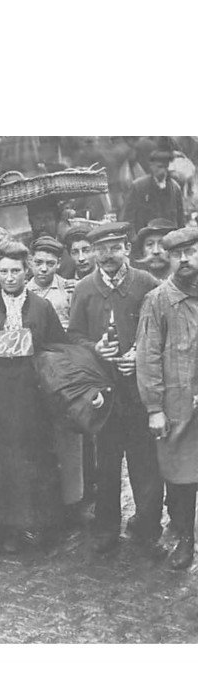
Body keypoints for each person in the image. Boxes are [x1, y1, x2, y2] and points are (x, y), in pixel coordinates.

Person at [0, 240, 68, 553]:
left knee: (28, 457)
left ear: (26, 270)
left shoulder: (41, 307)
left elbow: (57, 345)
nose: (9, 277)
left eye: (16, 270)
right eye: (4, 270)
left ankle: (31, 525)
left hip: (28, 395)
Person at [68, 221, 164, 554]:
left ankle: (149, 528)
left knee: (145, 463)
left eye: (114, 248)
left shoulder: (146, 283)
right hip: (104, 392)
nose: (107, 256)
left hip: (139, 391)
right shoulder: (84, 289)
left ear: (126, 247)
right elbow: (74, 336)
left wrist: (139, 353)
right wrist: (95, 348)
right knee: (106, 463)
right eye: (100, 250)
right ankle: (106, 527)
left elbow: (159, 330)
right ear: (92, 252)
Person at [136, 227, 198, 569]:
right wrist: (155, 408)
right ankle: (185, 539)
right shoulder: (158, 300)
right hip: (178, 406)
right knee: (182, 476)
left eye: (191, 251)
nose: (185, 259)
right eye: (177, 254)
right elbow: (148, 357)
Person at [26, 235, 84, 520]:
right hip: (32, 371)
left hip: (63, 369)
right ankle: (43, 503)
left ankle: (74, 501)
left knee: (68, 436)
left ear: (59, 264)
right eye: (38, 262)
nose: (44, 269)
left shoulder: (71, 290)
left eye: (50, 263)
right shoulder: (22, 292)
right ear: (30, 262)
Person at [121, 149, 185, 236]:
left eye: (166, 167)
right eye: (159, 167)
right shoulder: (139, 186)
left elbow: (180, 219)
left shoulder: (175, 188)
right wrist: (133, 239)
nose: (163, 171)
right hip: (145, 239)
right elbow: (128, 217)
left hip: (169, 238)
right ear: (151, 166)